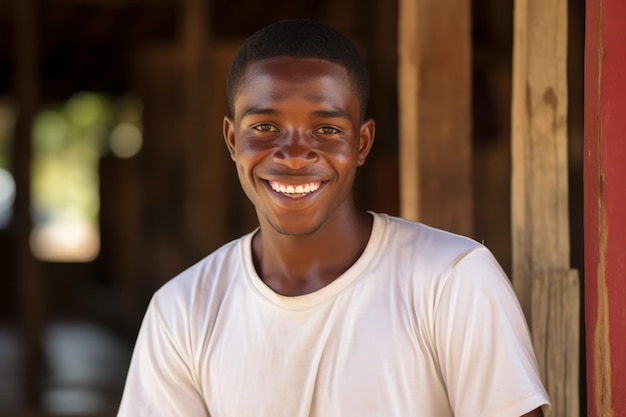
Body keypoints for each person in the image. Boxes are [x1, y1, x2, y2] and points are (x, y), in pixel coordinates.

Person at [117, 19, 550, 417]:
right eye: (265, 127)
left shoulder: (451, 281)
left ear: (362, 144)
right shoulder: (182, 312)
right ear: (232, 140)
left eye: (326, 130)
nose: (293, 156)